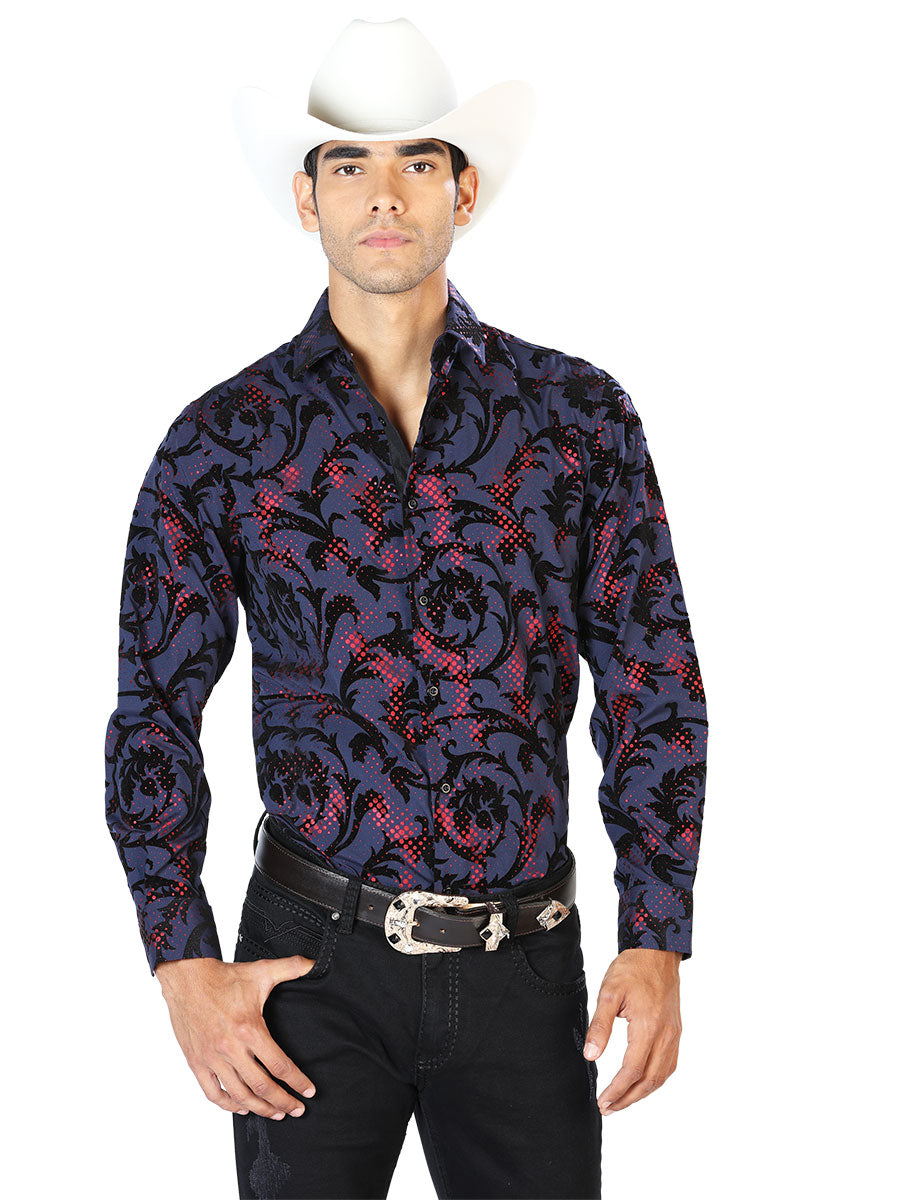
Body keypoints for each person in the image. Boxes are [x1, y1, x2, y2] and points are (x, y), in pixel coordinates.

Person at [104, 17, 708, 1200]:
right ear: (306, 197)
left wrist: (656, 930)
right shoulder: (223, 443)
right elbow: (152, 712)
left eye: (417, 161)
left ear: (462, 190)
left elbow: (654, 677)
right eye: (349, 164)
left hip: (525, 969)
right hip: (307, 971)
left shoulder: (578, 419)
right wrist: (181, 962)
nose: (384, 194)